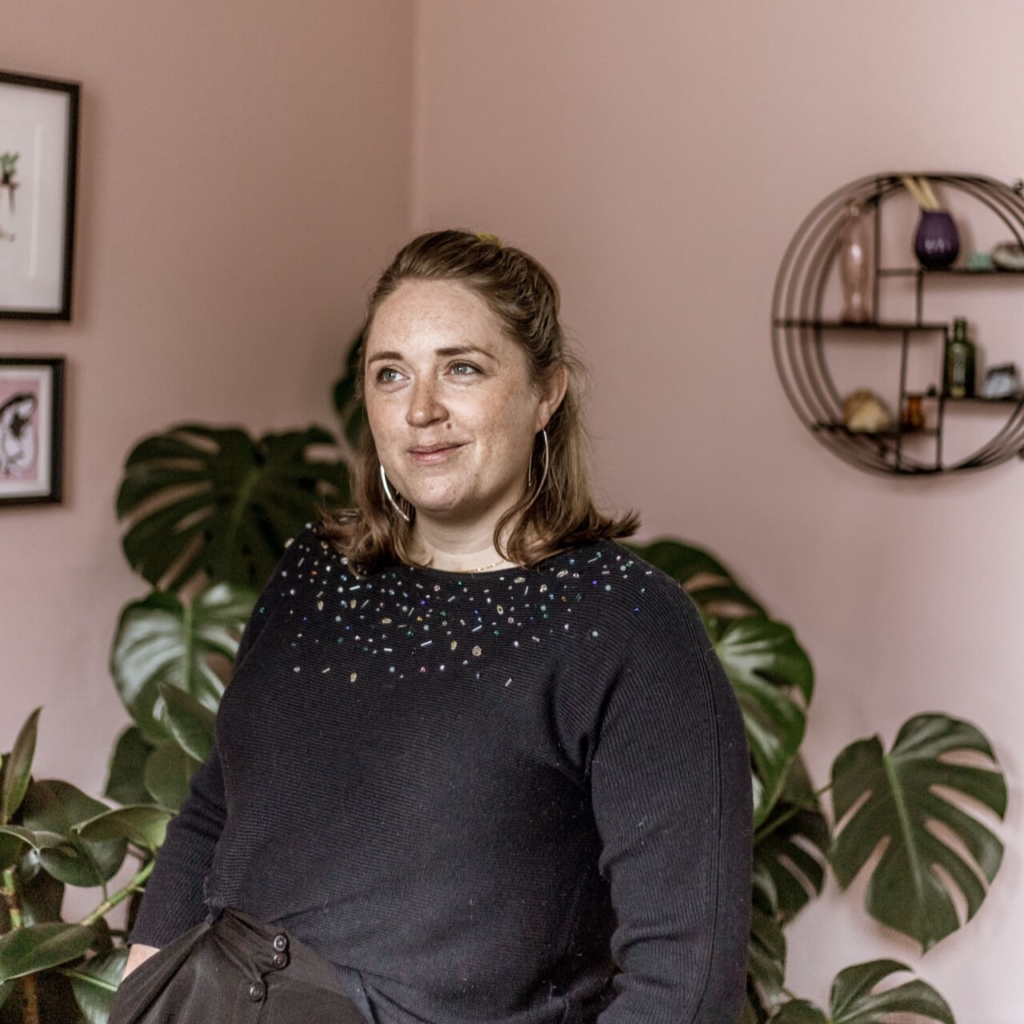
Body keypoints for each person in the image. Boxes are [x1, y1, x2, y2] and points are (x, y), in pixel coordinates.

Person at [112, 230, 752, 1024]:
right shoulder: (317, 570)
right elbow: (216, 804)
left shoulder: (626, 624)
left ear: (544, 393)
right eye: (391, 375)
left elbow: (683, 983)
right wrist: (139, 1000)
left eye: (463, 368)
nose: (421, 411)